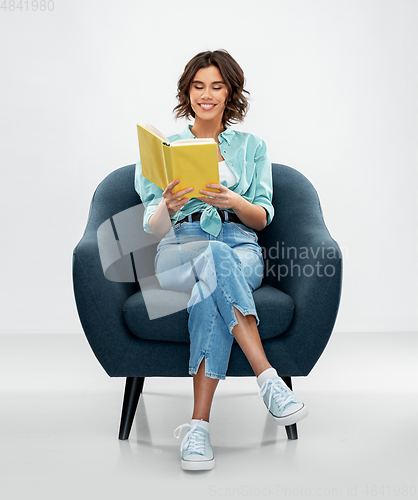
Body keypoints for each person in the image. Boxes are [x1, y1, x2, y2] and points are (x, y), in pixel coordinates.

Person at [134, 49, 308, 471]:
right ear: (187, 92)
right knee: (210, 256)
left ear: (230, 93)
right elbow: (152, 228)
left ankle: (198, 428)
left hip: (240, 243)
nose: (206, 95)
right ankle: (267, 378)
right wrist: (170, 206)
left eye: (216, 86)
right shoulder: (166, 148)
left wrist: (233, 199)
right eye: (198, 86)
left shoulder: (251, 147)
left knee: (209, 281)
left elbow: (263, 217)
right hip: (180, 245)